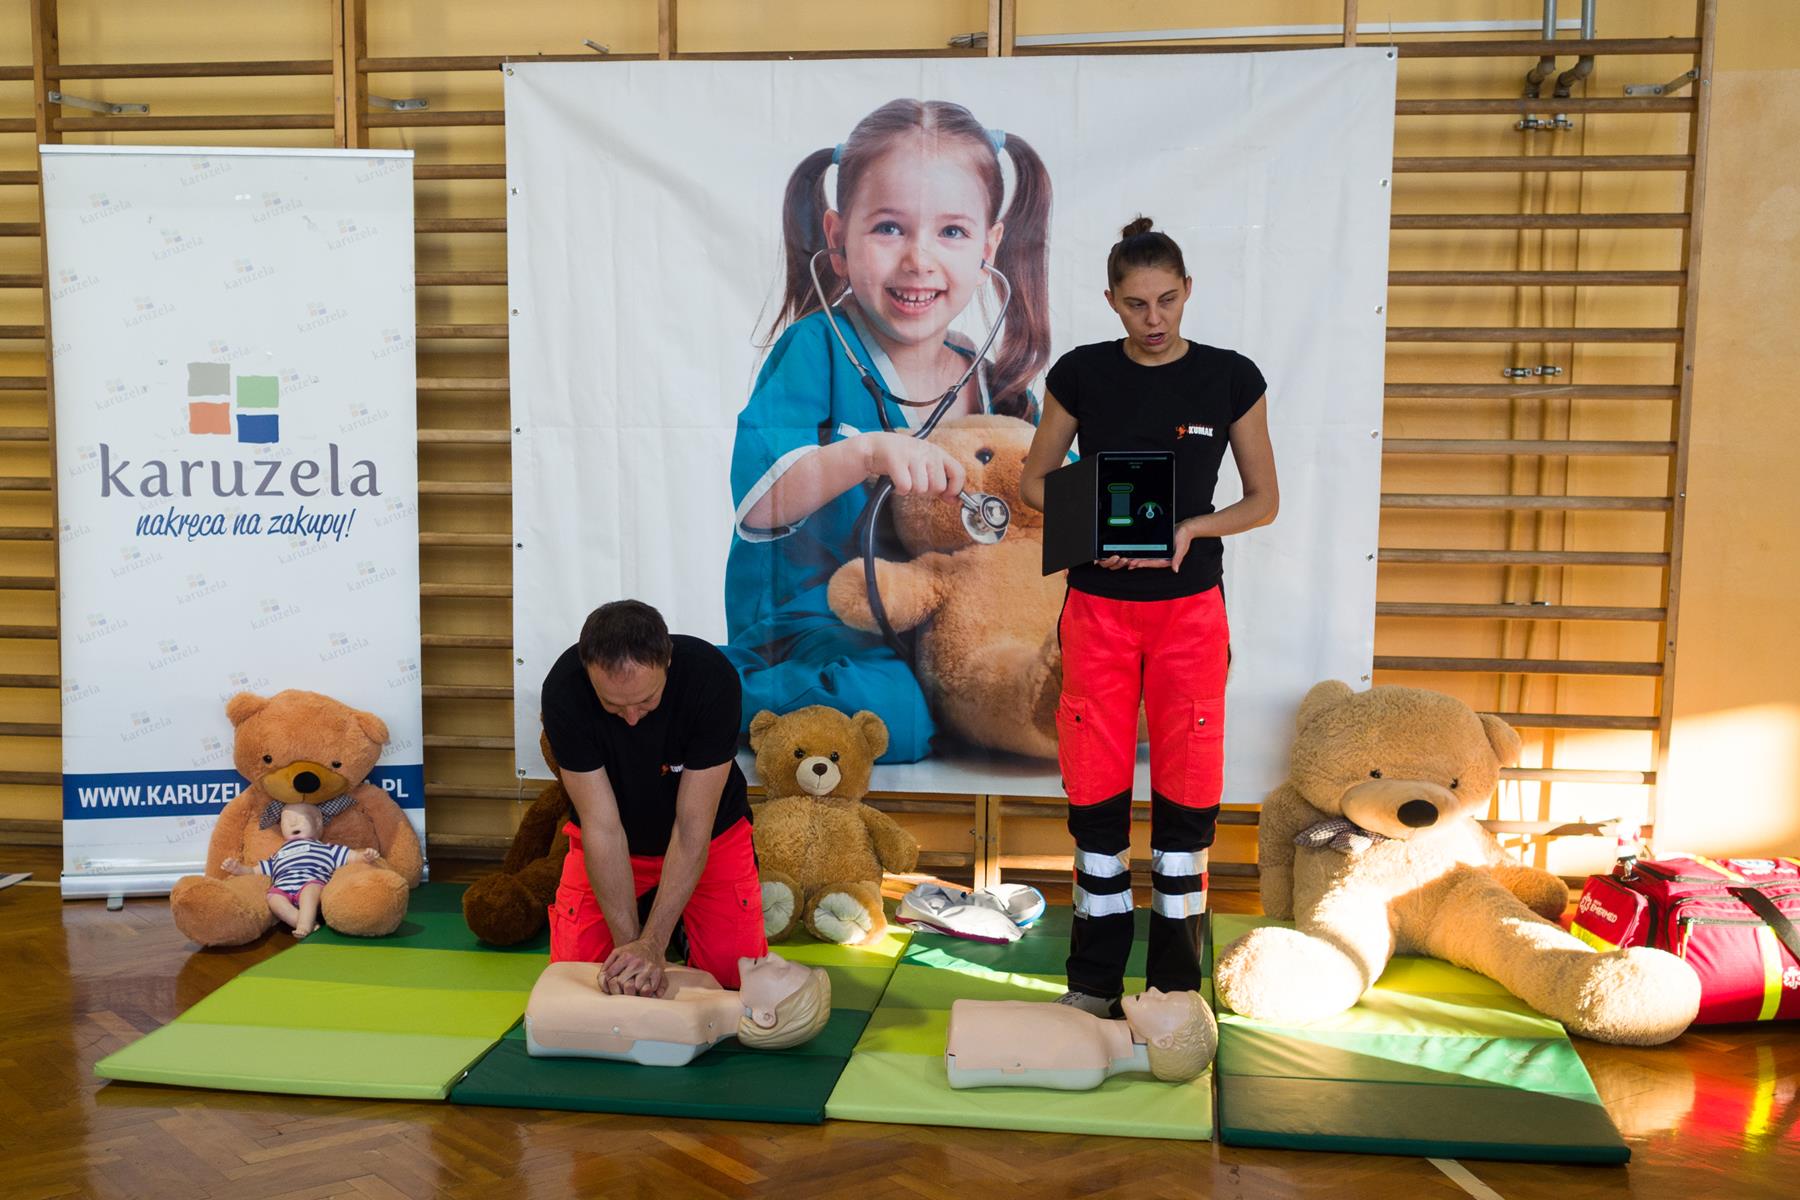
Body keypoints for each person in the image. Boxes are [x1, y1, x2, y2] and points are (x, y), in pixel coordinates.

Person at [723, 97, 1053, 763]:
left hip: (948, 625)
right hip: (817, 625)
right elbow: (759, 502)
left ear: (988, 248)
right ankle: (712, 689)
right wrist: (867, 452)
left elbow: (1042, 519)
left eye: (952, 231)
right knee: (894, 717)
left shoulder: (996, 387)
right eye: (889, 228)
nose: (918, 260)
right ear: (838, 241)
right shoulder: (816, 349)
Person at [1019, 217, 1280, 1017]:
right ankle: (1093, 984)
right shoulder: (1080, 372)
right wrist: (1096, 524)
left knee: (1186, 796)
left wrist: (1191, 527)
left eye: (1167, 299)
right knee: (1096, 796)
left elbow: (1264, 501)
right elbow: (1033, 481)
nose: (1154, 318)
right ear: (1111, 301)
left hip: (1190, 614)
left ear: (1188, 290)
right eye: (1136, 304)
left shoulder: (1231, 377)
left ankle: (1172, 988)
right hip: (1097, 611)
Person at [541, 599, 765, 994]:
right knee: (576, 981)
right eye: (613, 704)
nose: (631, 718)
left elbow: (693, 827)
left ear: (667, 662)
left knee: (736, 982)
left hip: (710, 837)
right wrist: (633, 951)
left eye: (646, 700)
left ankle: (673, 927)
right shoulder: (565, 691)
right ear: (589, 672)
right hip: (613, 842)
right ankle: (658, 921)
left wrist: (653, 943)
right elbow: (602, 827)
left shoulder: (711, 679)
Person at [222, 804, 378, 938]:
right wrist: (238, 869)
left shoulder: (325, 848)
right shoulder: (278, 854)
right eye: (286, 821)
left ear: (317, 824)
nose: (293, 823)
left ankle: (304, 925)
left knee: (310, 892)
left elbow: (350, 856)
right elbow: (256, 871)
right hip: (282, 888)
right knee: (273, 899)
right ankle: (300, 921)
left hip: (311, 883)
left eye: (300, 818)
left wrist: (364, 856)